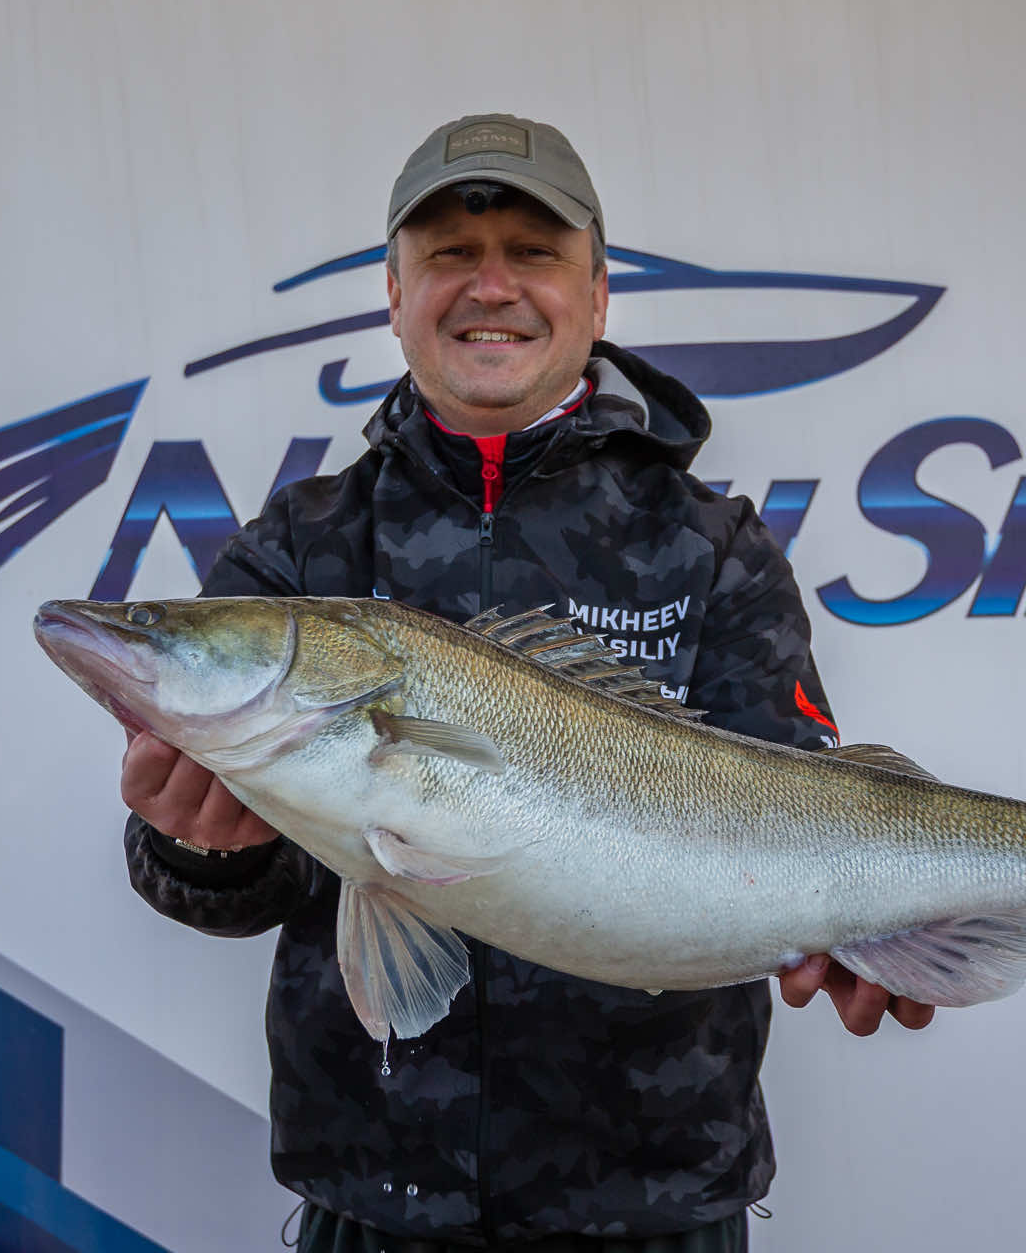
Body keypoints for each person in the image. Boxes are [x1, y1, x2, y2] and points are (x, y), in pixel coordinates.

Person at [119, 114, 934, 1252]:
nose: (491, 286)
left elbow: (798, 813)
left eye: (533, 252)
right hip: (374, 1202)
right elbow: (213, 884)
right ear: (394, 293)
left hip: (655, 1208)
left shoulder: (713, 546)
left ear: (597, 295)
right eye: (450, 254)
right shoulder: (302, 548)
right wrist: (201, 845)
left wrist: (867, 931)